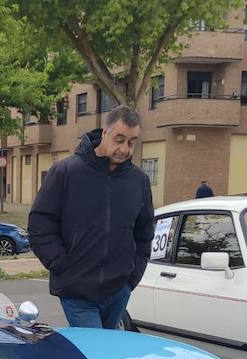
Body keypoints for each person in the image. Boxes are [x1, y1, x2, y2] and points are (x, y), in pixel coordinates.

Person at [28, 106, 154, 328]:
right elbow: (40, 225)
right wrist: (62, 265)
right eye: (120, 139)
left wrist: (131, 277)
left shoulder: (138, 181)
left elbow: (144, 233)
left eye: (132, 142)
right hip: (78, 291)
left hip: (118, 291)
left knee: (104, 358)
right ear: (105, 133)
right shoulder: (66, 172)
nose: (125, 149)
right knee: (92, 353)